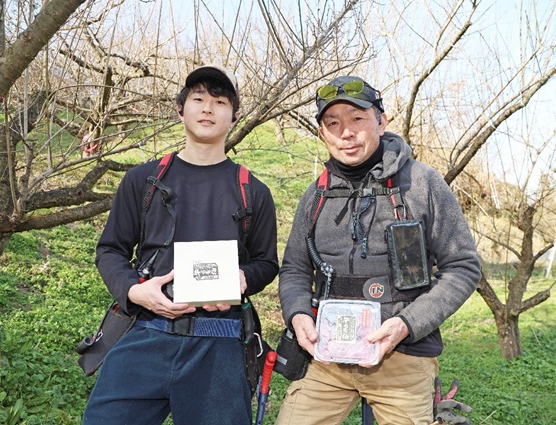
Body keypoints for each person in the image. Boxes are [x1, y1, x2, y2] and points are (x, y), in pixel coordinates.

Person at [275, 75, 481, 425]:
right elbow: (295, 268)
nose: (346, 132)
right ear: (322, 133)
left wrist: (407, 324)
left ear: (381, 121)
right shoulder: (316, 195)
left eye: (357, 118)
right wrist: (298, 314)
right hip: (327, 359)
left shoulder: (423, 184)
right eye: (333, 123)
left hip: (402, 358)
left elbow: (463, 267)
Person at [83, 65, 279, 425]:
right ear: (180, 109)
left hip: (219, 341)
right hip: (146, 330)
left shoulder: (253, 191)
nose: (208, 108)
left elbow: (266, 262)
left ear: (234, 117)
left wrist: (242, 279)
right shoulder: (143, 180)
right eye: (198, 98)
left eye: (220, 102)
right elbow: (110, 249)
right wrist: (135, 292)